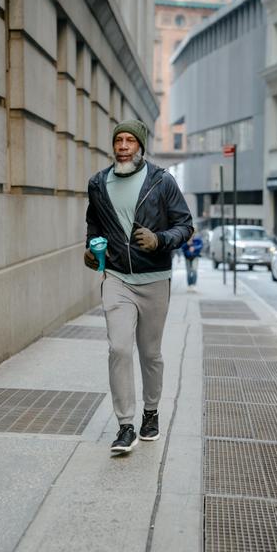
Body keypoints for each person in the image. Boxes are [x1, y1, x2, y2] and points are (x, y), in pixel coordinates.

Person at [84, 119, 193, 454]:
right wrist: (90, 249)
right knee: (119, 348)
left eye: (131, 140)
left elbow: (185, 225)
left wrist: (159, 240)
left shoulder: (162, 182)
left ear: (140, 146)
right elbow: (94, 224)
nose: (124, 145)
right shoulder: (99, 183)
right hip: (117, 278)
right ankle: (125, 425)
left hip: (154, 279)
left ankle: (150, 413)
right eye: (119, 140)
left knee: (150, 353)